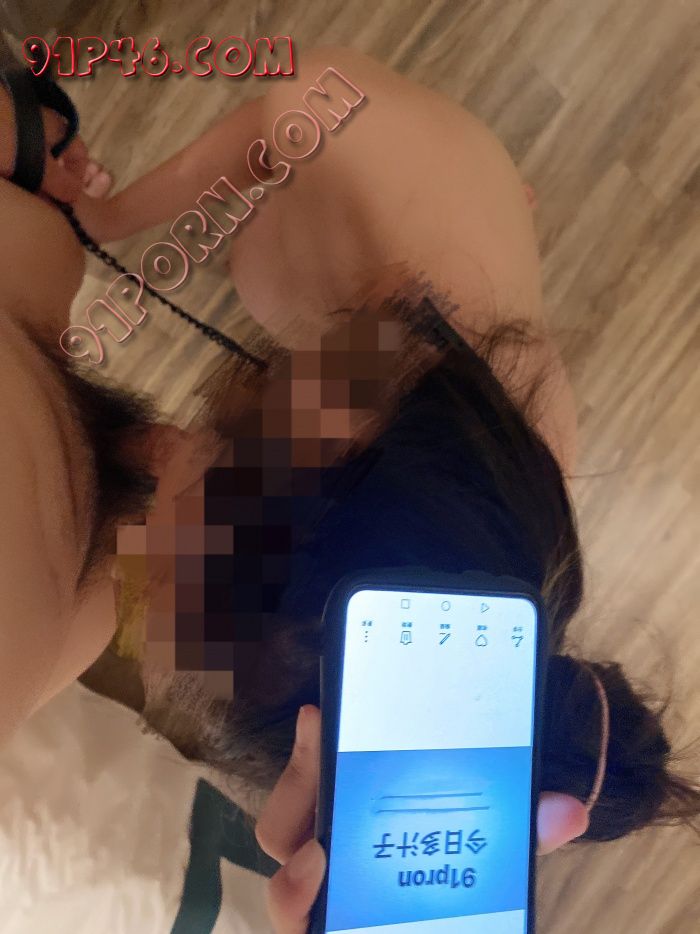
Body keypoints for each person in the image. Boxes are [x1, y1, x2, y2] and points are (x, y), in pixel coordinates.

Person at [1, 45, 698, 934]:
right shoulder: (379, 299)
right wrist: (111, 210)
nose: (160, 452)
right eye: (166, 550)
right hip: (393, 175)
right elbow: (300, 106)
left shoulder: (504, 501)